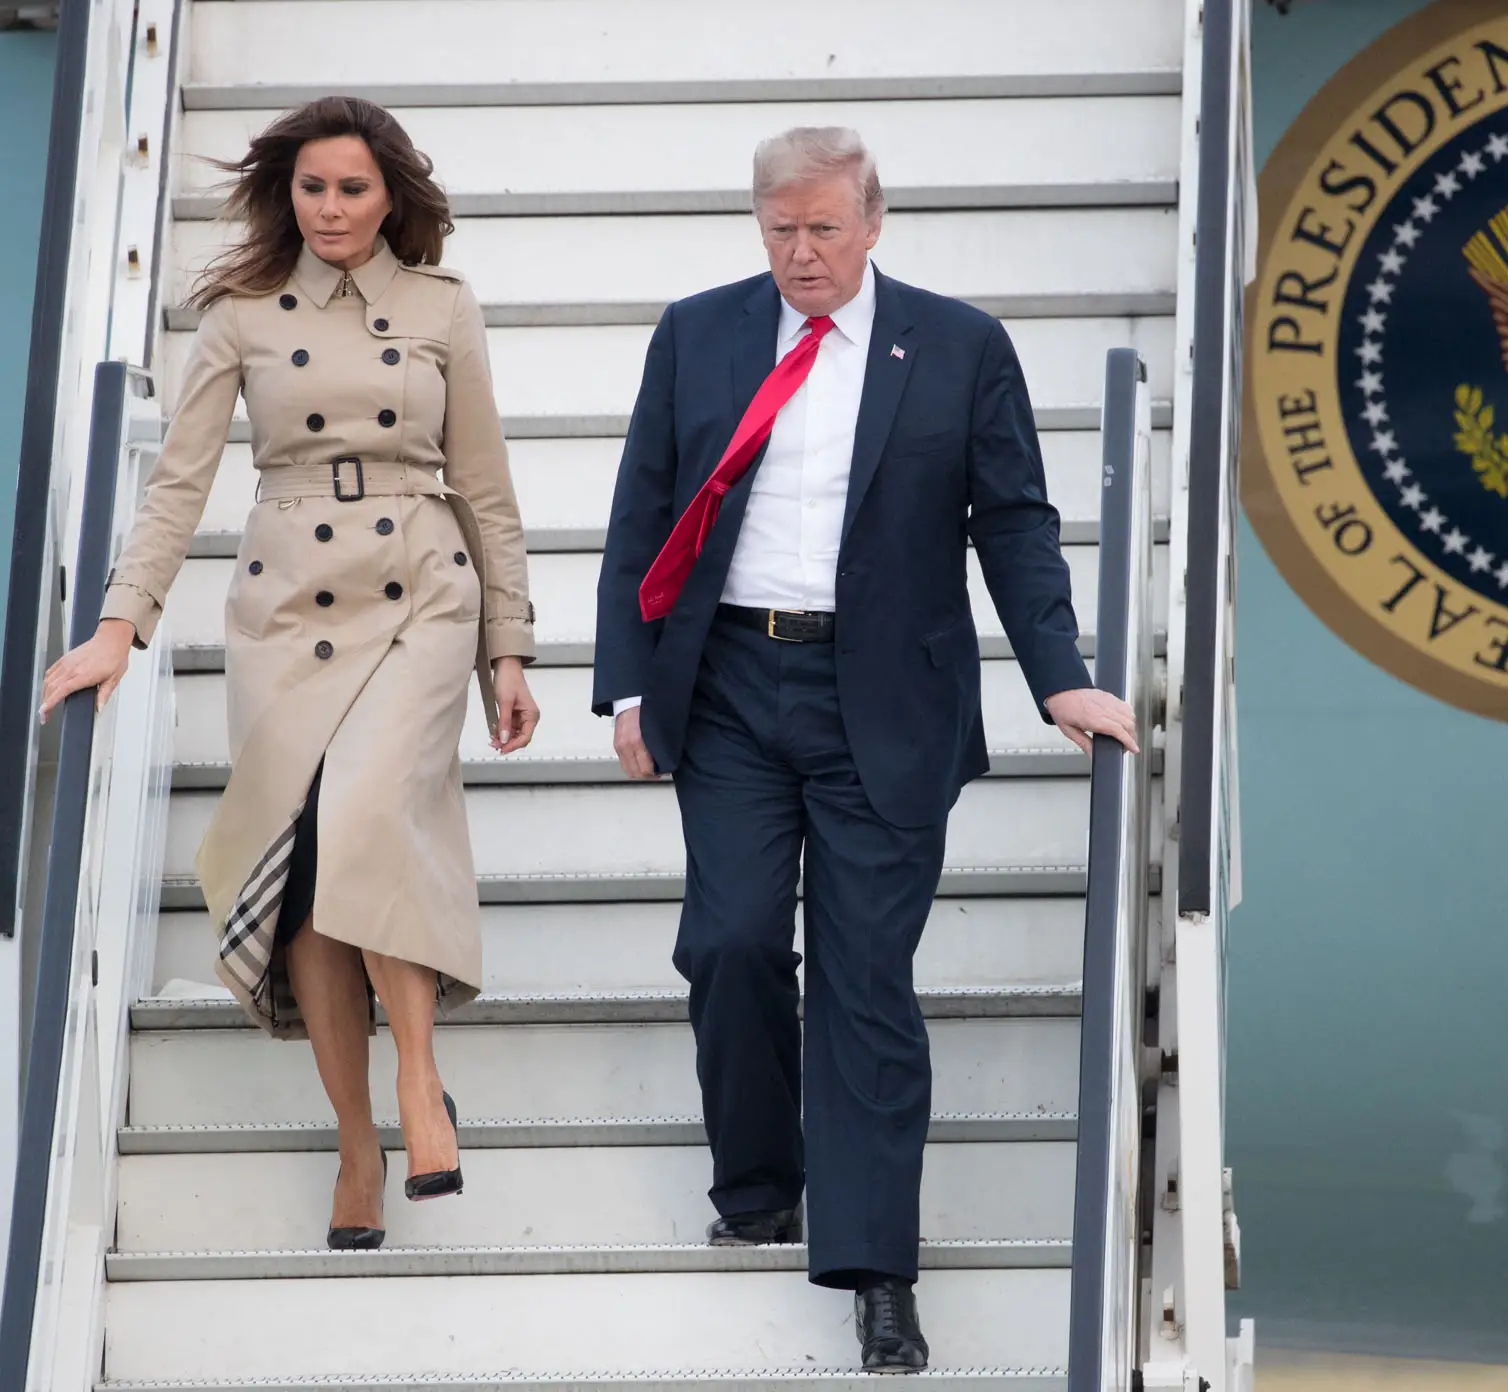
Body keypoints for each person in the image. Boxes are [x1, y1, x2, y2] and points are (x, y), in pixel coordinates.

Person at [593, 126, 1138, 1373]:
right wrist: (624, 685)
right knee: (728, 942)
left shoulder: (956, 344)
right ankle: (758, 1184)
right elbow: (644, 501)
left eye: (823, 229)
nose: (800, 254)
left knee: (861, 983)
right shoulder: (699, 330)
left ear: (873, 224)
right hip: (730, 681)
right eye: (779, 230)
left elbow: (1011, 519)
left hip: (883, 701)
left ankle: (876, 1268)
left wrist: (1058, 674)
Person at [40, 96, 539, 1250]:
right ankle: (357, 1144)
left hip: (420, 586)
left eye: (351, 188)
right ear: (287, 194)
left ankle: (418, 1080)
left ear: (390, 194)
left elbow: (488, 489)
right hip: (283, 608)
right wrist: (124, 624)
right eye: (311, 188)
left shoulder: (442, 309)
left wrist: (506, 648)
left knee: (365, 820)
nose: (329, 209)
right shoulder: (241, 315)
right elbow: (178, 484)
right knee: (304, 873)